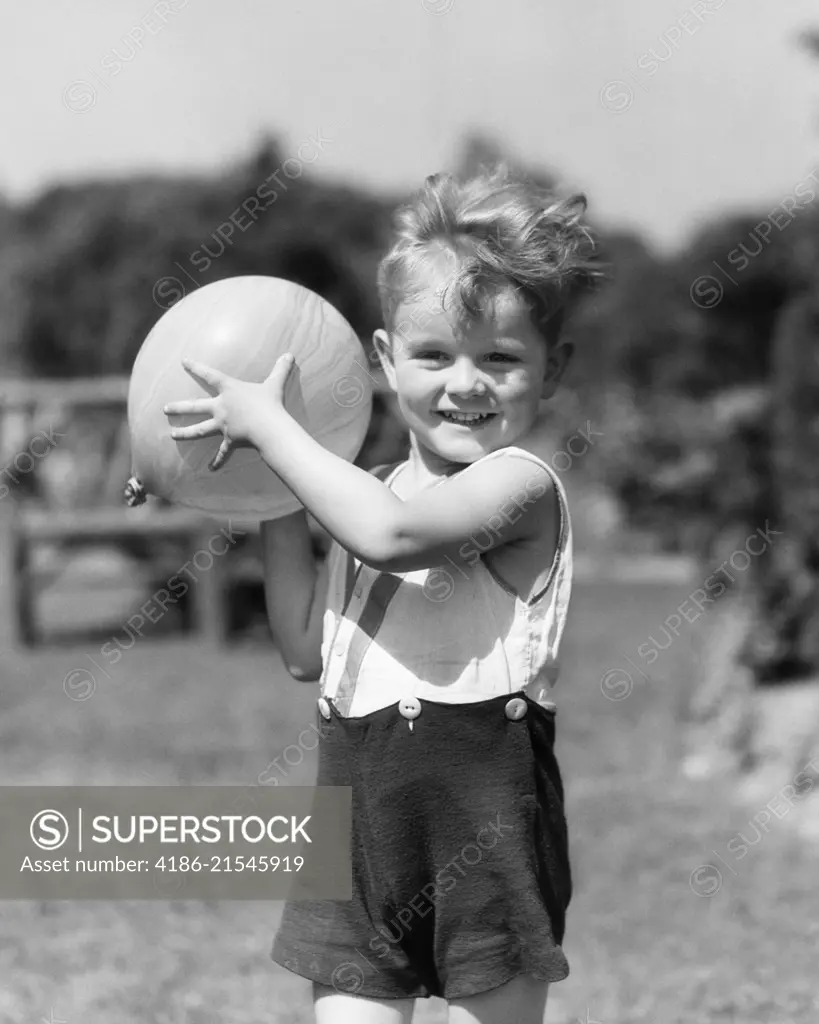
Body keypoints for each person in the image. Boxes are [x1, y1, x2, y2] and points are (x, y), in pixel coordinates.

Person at [164, 165, 600, 1024]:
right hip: (359, 831)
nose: (464, 384)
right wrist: (258, 487)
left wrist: (275, 431)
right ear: (383, 359)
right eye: (433, 355)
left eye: (501, 360)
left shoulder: (520, 487)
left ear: (552, 372)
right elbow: (300, 649)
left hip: (488, 840)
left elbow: (392, 537)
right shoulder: (362, 487)